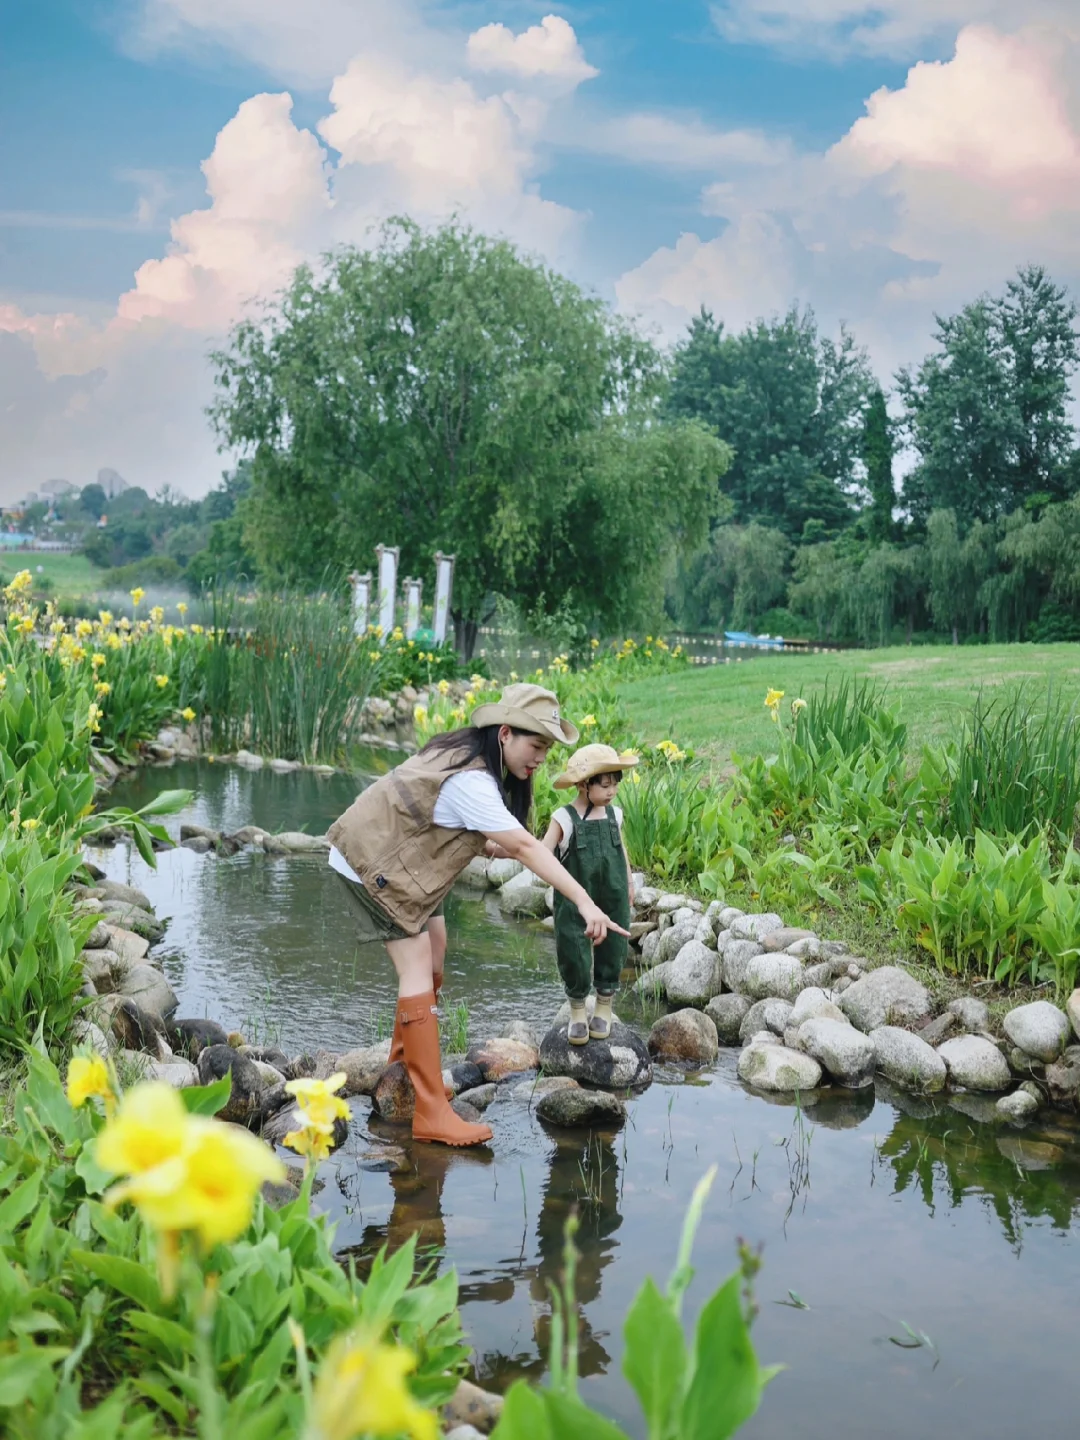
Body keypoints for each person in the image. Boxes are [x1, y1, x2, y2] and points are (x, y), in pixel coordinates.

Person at [327, 684, 630, 1148]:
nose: (540, 759)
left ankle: (404, 1071)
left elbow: (464, 827)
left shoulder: (471, 759)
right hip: (374, 863)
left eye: (547, 750)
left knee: (435, 957)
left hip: (406, 864)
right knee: (416, 972)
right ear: (505, 733)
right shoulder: (473, 779)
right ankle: (430, 1110)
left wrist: (492, 842)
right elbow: (524, 847)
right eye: (536, 746)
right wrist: (585, 901)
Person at [540, 744, 637, 1046]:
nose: (612, 791)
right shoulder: (564, 818)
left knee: (613, 945)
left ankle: (604, 1005)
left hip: (613, 890)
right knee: (574, 949)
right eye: (604, 785)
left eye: (615, 783)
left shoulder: (614, 815)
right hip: (574, 899)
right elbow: (541, 854)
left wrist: (630, 882)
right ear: (583, 785)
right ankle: (578, 1010)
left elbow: (621, 850)